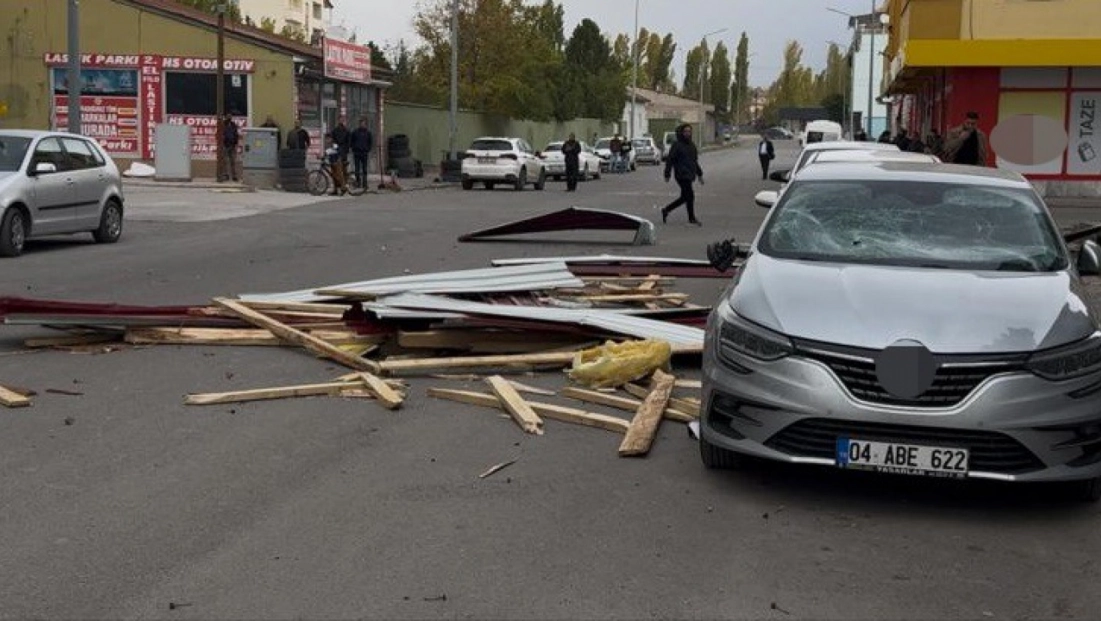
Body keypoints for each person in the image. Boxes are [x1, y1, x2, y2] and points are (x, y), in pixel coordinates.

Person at [660, 123, 704, 226]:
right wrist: (667, 174)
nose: (688, 133)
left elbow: (694, 161)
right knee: (690, 195)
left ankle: (666, 210)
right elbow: (670, 160)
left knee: (685, 197)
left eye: (689, 131)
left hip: (690, 174)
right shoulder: (677, 145)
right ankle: (691, 218)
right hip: (681, 174)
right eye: (686, 131)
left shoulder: (691, 145)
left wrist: (700, 174)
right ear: (681, 132)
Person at [351, 118, 374, 188]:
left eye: (364, 123)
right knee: (357, 169)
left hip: (364, 153)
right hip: (357, 153)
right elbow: (351, 141)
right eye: (361, 123)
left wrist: (368, 149)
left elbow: (370, 142)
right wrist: (353, 148)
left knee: (364, 169)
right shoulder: (355, 132)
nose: (362, 125)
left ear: (366, 124)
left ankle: (365, 183)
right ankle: (358, 182)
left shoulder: (368, 133)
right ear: (359, 124)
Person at [219, 115, 239, 182]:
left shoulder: (233, 125)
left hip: (232, 145)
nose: (229, 118)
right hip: (225, 145)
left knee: (233, 161)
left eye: (230, 117)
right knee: (225, 161)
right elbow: (220, 134)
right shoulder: (223, 124)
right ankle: (226, 175)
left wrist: (236, 143)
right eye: (228, 117)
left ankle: (234, 176)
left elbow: (236, 134)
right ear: (226, 117)